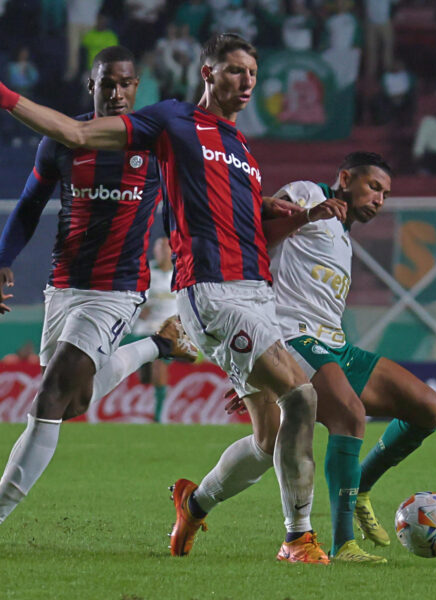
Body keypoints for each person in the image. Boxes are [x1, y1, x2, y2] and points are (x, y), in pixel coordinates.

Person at [0, 33, 344, 564]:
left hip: (203, 291)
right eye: (234, 70)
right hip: (157, 288)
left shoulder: (240, 151)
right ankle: (294, 534)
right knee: (299, 397)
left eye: (252, 73)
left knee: (274, 429)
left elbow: (243, 222)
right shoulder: (171, 123)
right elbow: (67, 142)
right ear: (207, 73)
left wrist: (295, 216)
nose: (247, 81)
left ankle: (228, 514)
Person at [176, 151, 436, 564]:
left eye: (386, 195)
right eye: (374, 187)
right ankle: (342, 544)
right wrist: (306, 215)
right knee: (348, 415)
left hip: (332, 343)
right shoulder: (306, 194)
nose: (379, 200)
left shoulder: (343, 235)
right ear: (345, 178)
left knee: (428, 408)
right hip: (289, 336)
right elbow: (254, 241)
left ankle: (360, 487)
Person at [0, 45, 197, 526]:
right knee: (72, 402)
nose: (116, 92)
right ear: (92, 85)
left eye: (125, 83)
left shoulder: (153, 145)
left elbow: (181, 215)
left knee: (50, 396)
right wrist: (3, 259)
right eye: (107, 82)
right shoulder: (62, 140)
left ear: (137, 86)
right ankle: (157, 345)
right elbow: (29, 206)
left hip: (118, 290)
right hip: (63, 285)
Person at [131, 236, 179, 423]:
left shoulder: (180, 272)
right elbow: (132, 296)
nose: (163, 252)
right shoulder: (147, 271)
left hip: (168, 330)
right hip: (144, 329)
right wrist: (139, 309)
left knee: (159, 367)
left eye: (166, 248)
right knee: (145, 377)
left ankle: (159, 416)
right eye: (159, 248)